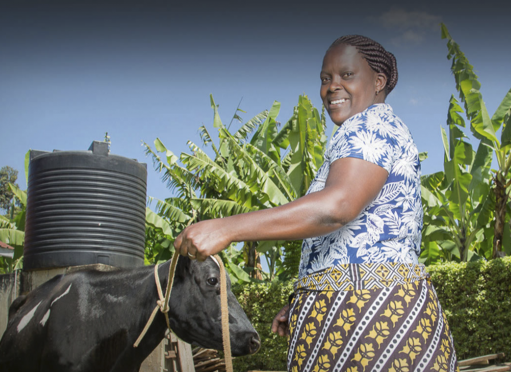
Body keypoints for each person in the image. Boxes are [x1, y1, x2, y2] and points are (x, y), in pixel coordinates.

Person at [175, 35, 458, 372]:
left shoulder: (370, 125)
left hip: (373, 318)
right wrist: (306, 298)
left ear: (378, 82)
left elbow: (337, 207)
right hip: (359, 311)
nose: (332, 87)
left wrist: (226, 227)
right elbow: (349, 240)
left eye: (347, 75)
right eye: (326, 79)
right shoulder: (365, 130)